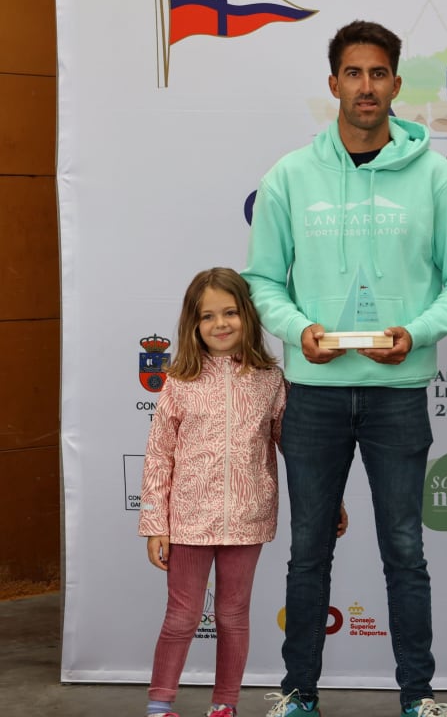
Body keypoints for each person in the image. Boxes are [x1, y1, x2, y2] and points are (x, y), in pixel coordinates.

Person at [244, 20, 447, 717]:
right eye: (353, 73)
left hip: (397, 395)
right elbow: (264, 281)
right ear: (334, 86)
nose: (366, 86)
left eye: (378, 74)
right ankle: (299, 694)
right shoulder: (291, 175)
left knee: (405, 552)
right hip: (315, 394)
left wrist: (414, 333)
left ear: (396, 86)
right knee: (308, 552)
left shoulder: (435, 176)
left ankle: (418, 696)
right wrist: (298, 331)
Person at [138, 267, 287, 717]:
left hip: (248, 519)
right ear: (193, 324)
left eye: (230, 312)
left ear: (248, 315)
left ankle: (225, 705)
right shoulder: (179, 382)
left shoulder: (270, 380)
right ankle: (160, 705)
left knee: (233, 616)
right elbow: (158, 456)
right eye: (207, 316)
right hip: (187, 521)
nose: (220, 324)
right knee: (182, 617)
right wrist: (154, 524)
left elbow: (296, 451)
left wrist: (331, 499)